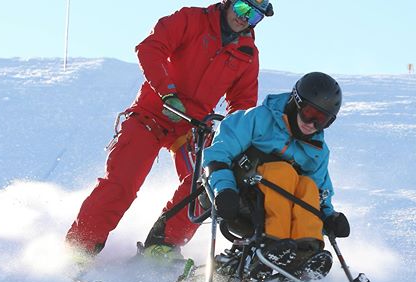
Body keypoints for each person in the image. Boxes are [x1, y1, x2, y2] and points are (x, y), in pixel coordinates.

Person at [65, 0, 274, 265]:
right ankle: (80, 246)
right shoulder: (191, 20)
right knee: (122, 182)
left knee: (206, 184)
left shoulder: (247, 53)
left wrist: (232, 135)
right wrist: (167, 93)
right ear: (228, 2)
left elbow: (242, 103)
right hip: (152, 114)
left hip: (193, 129)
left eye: (255, 16)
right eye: (243, 9)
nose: (246, 19)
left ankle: (162, 245)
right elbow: (150, 48)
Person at [202, 72, 351, 281]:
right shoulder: (257, 119)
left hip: (278, 202)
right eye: (309, 113)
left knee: (307, 185)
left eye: (321, 120)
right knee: (283, 172)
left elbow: (320, 191)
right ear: (296, 102)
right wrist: (224, 189)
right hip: (236, 195)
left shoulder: (317, 150)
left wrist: (329, 216)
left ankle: (305, 251)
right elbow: (217, 154)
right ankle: (271, 243)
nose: (312, 124)